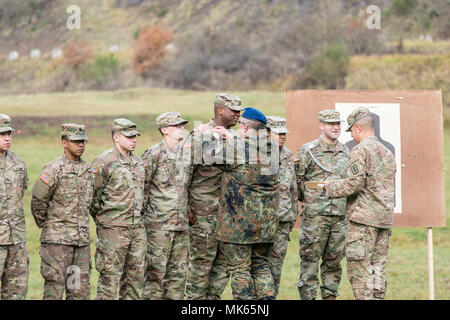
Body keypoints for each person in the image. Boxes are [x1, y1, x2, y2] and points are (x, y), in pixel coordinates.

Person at [324, 107, 396, 300]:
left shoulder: (360, 150)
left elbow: (354, 184)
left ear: (358, 129)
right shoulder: (387, 152)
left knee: (360, 271)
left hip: (363, 222)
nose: (353, 136)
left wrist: (328, 188)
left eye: (352, 132)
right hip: (383, 220)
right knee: (377, 268)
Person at [209, 107, 279, 300]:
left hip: (239, 224)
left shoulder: (236, 149)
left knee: (240, 269)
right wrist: (233, 138)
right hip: (265, 224)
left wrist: (212, 136)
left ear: (246, 128)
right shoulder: (272, 148)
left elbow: (210, 156)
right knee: (260, 265)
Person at [184, 93, 241, 300]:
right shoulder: (200, 136)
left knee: (224, 265)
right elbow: (184, 173)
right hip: (204, 213)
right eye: (234, 111)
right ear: (220, 111)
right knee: (201, 265)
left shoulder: (239, 138)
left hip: (229, 213)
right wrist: (186, 207)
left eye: (239, 111)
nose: (238, 114)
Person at [31, 124, 93, 300]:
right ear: (64, 143)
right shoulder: (54, 169)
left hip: (80, 244)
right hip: (57, 243)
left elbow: (90, 201)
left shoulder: (87, 170)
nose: (81, 145)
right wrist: (50, 226)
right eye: (76, 141)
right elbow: (38, 200)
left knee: (79, 291)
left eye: (83, 141)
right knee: (55, 289)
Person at [294, 110, 349, 300]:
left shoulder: (347, 152)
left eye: (338, 124)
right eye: (331, 123)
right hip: (315, 219)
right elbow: (297, 183)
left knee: (334, 263)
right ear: (321, 125)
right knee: (309, 262)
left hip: (339, 218)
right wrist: (314, 202)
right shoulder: (307, 151)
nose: (335, 127)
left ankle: (330, 296)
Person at [90, 118, 147, 300]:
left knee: (135, 283)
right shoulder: (104, 162)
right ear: (116, 137)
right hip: (112, 232)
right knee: (109, 283)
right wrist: (107, 220)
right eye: (129, 136)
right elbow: (92, 198)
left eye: (135, 136)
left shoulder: (138, 163)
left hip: (136, 230)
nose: (134, 140)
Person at [141, 112, 192, 300]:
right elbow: (142, 187)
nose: (181, 128)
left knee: (178, 277)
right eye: (177, 126)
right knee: (155, 276)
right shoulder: (153, 154)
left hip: (181, 226)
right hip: (158, 227)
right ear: (164, 130)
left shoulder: (186, 154)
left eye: (182, 125)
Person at [266, 116, 298, 298]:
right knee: (259, 264)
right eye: (278, 133)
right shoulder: (259, 154)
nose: (282, 137)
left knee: (276, 264)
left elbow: (293, 188)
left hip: (283, 219)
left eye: (284, 134)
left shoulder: (288, 155)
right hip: (262, 220)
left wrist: (293, 215)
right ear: (268, 133)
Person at [0, 114, 29, 300]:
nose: (7, 138)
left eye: (9, 134)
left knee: (17, 293)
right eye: (2, 134)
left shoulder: (18, 163)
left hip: (16, 240)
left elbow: (23, 192)